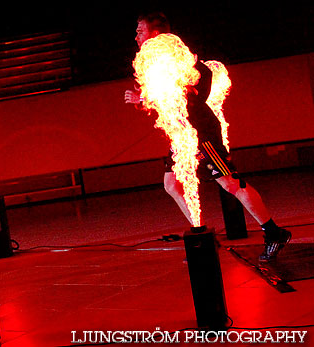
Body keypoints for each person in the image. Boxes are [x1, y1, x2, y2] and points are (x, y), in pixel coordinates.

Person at [124, 12, 291, 262]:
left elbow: (189, 93)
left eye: (140, 30)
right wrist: (145, 101)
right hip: (182, 133)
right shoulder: (155, 62)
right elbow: (168, 102)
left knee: (231, 183)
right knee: (172, 184)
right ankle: (203, 236)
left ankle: (274, 232)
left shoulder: (178, 59)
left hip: (202, 133)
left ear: (156, 34)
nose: (136, 35)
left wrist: (146, 98)